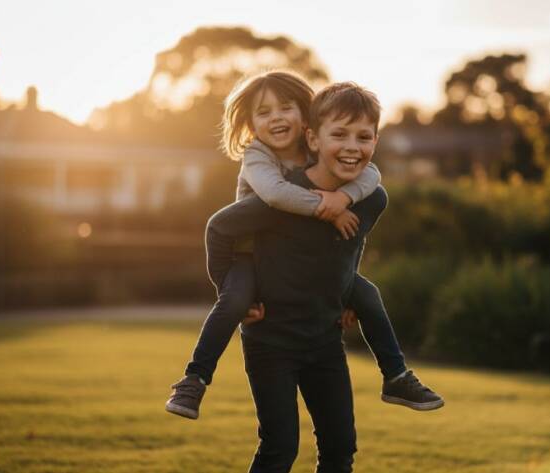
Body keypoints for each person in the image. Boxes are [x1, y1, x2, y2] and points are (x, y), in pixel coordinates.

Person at [165, 72, 443, 421]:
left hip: (302, 261)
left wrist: (343, 198)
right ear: (250, 123)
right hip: (249, 255)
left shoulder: (313, 150)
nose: (276, 118)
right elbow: (276, 195)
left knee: (368, 295)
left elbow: (371, 175)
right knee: (234, 300)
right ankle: (194, 379)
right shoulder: (257, 155)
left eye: (286, 108)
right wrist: (328, 209)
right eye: (264, 112)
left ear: (306, 117)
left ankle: (396, 376)